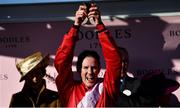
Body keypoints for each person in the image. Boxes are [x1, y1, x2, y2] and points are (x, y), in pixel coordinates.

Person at [54, 3, 122, 107]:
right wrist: (76, 25)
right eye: (86, 67)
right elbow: (61, 62)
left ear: (99, 69)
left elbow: (115, 61)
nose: (90, 72)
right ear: (79, 70)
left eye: (94, 68)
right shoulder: (70, 91)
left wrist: (99, 24)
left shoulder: (106, 89)